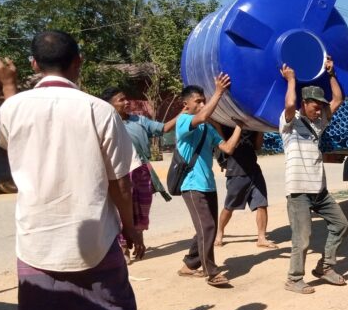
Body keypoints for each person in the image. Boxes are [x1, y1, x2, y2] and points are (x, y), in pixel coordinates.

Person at [0, 30, 165, 310]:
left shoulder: (11, 108)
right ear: (78, 63)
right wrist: (131, 229)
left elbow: (8, 140)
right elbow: (120, 180)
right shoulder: (98, 110)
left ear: (33, 64)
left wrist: (9, 87)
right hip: (94, 235)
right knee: (117, 309)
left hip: (36, 238)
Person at [280, 56, 348, 294]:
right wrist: (291, 80)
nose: (319, 108)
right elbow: (289, 105)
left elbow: (338, 99)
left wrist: (332, 74)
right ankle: (294, 279)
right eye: (315, 105)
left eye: (320, 105)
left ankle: (325, 266)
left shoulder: (319, 124)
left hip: (319, 190)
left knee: (341, 224)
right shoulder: (289, 123)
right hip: (298, 191)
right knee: (303, 237)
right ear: (304, 103)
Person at [175, 75, 244, 287]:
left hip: (208, 185)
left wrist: (240, 127)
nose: (203, 104)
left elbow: (227, 148)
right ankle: (211, 272)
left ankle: (189, 264)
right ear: (185, 104)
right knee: (207, 227)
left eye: (204, 100)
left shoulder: (207, 129)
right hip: (191, 184)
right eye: (199, 101)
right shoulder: (183, 121)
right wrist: (219, 92)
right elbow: (203, 117)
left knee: (205, 228)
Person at [102, 87, 178, 261]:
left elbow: (164, 128)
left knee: (142, 209)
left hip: (141, 171)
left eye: (125, 98)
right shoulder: (106, 123)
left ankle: (139, 242)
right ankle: (123, 249)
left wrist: (183, 113)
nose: (126, 102)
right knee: (121, 210)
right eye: (121, 100)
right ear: (110, 105)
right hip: (118, 173)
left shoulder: (139, 120)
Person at [213, 124, 277, 249]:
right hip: (236, 171)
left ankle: (261, 238)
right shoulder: (226, 124)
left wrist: (260, 128)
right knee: (229, 206)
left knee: (262, 204)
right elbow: (226, 148)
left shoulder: (252, 124)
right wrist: (238, 126)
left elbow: (257, 147)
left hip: (254, 170)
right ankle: (219, 233)